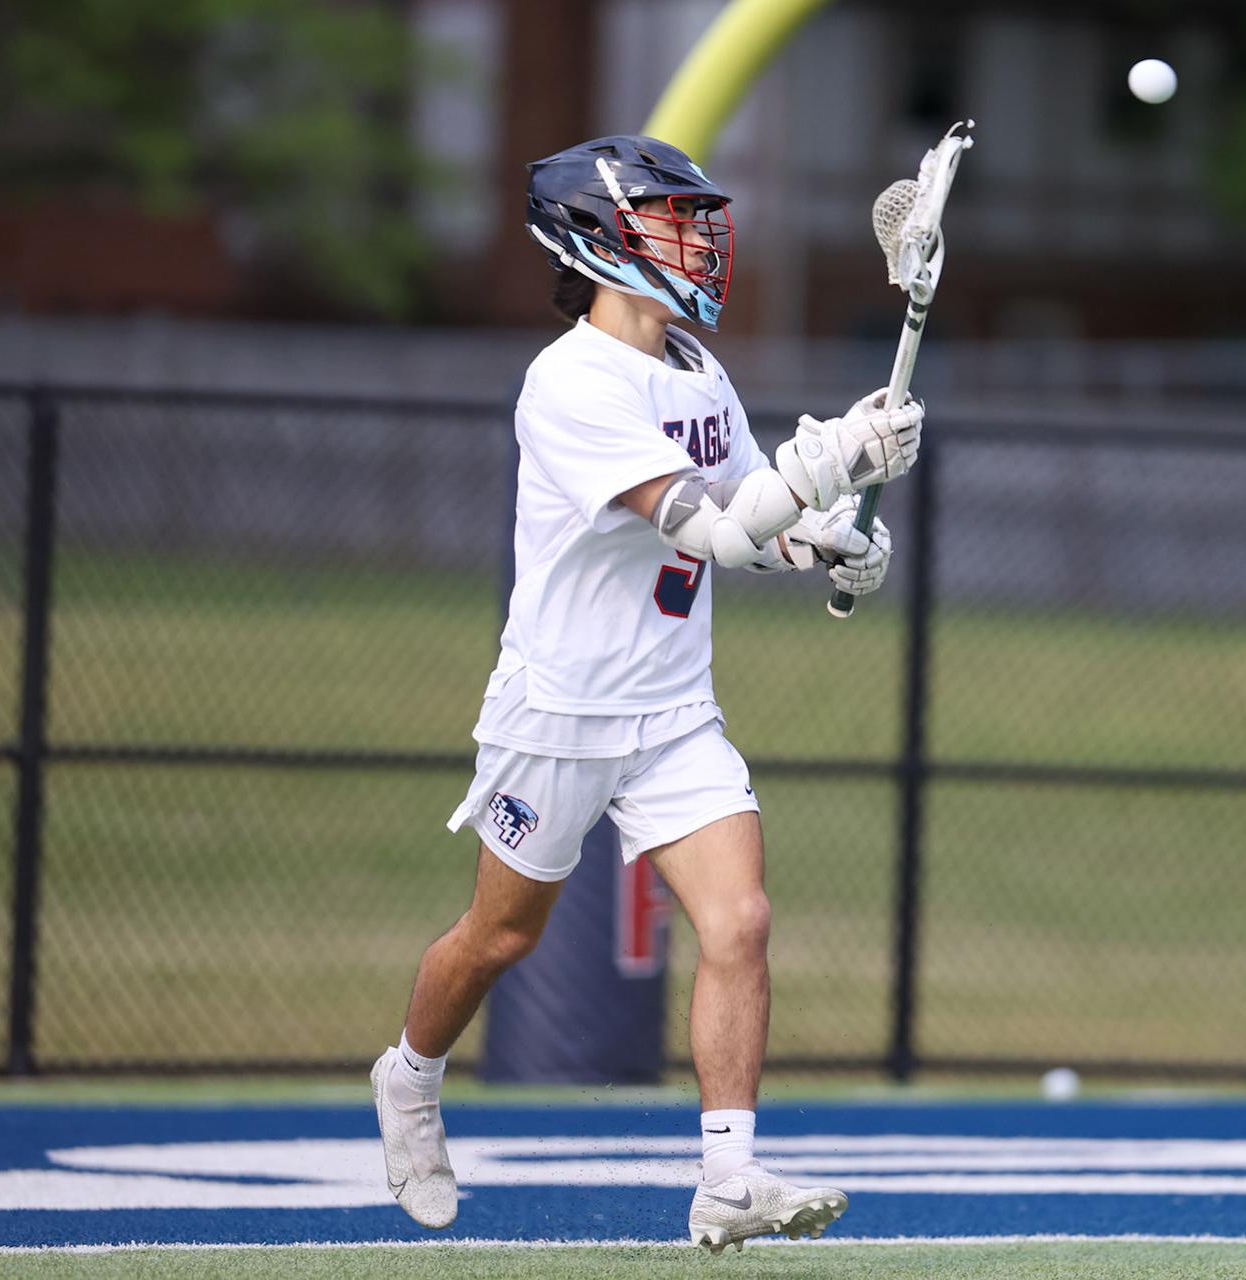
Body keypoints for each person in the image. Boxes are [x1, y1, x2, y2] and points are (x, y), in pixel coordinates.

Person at [371, 134, 924, 1254]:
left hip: (673, 712)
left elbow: (754, 525)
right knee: (499, 935)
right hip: (561, 712)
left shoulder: (697, 370)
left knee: (741, 918)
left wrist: (826, 537)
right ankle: (410, 1075)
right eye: (674, 221)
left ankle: (726, 1179)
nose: (699, 241)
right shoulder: (570, 381)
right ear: (597, 239)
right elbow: (707, 529)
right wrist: (830, 462)